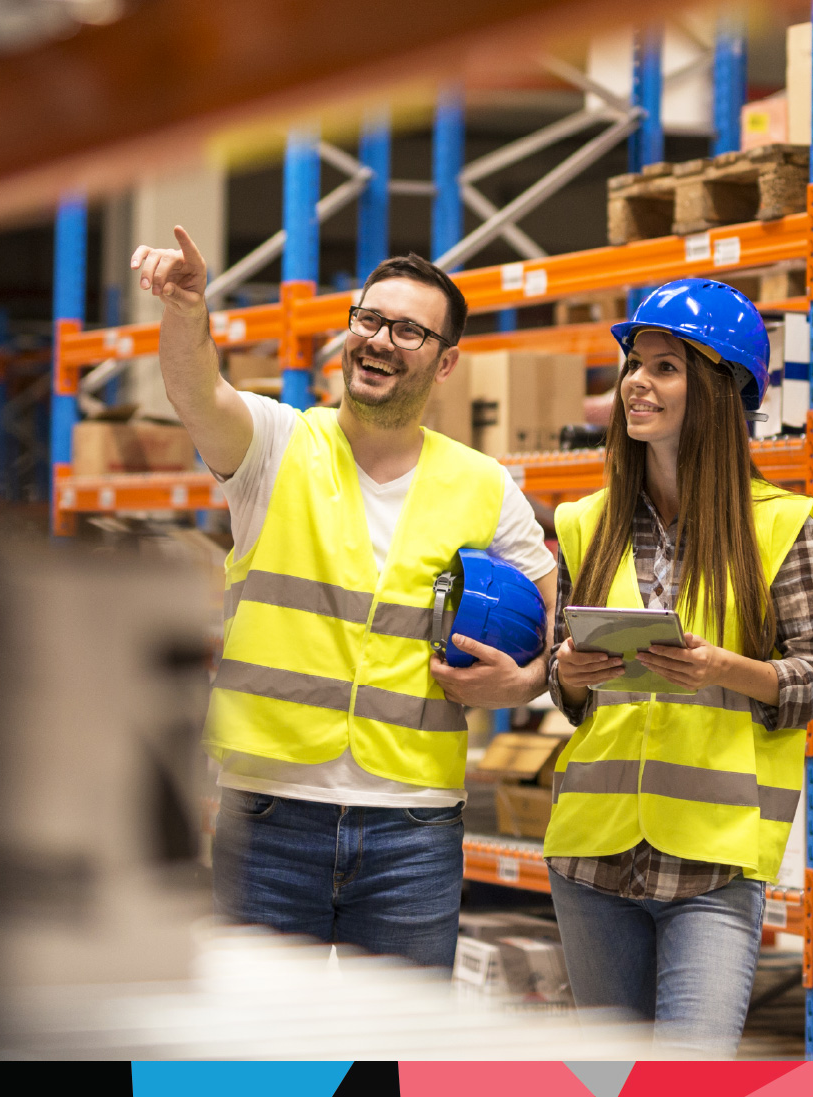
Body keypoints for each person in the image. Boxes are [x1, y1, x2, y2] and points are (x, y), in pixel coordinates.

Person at [130, 228, 556, 968]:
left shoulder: (487, 486)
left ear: (445, 361)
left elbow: (553, 638)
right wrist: (188, 309)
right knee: (252, 1067)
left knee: (397, 1062)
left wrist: (524, 679)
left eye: (408, 330)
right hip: (269, 816)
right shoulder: (275, 445)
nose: (379, 340)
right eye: (367, 319)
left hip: (413, 830)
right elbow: (196, 390)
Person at [543, 278, 813, 1054]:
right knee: (609, 1078)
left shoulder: (778, 525)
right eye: (634, 365)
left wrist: (722, 668)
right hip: (591, 857)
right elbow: (560, 685)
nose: (638, 382)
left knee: (690, 1074)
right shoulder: (585, 520)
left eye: (665, 366)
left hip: (712, 862)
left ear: (716, 390)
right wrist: (572, 669)